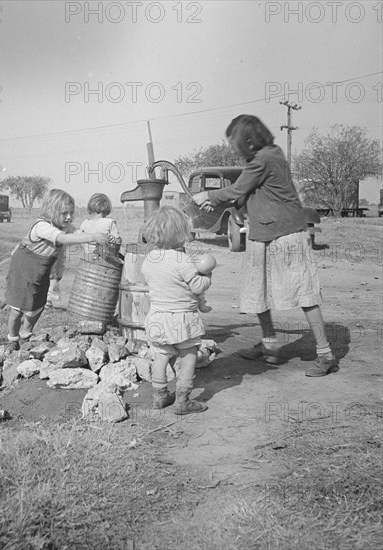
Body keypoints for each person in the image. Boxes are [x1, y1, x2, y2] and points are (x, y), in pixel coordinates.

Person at [192, 114, 338, 377]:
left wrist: (210, 196)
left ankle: (325, 353)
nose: (232, 148)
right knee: (257, 292)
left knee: (305, 294)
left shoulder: (265, 158)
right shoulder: (262, 158)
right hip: (262, 234)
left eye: (234, 143)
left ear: (249, 141)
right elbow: (243, 196)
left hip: (287, 235)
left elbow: (238, 189)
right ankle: (269, 344)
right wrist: (218, 201)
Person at [4, 189, 109, 352]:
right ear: (51, 211)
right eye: (64, 213)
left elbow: (77, 233)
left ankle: (26, 333)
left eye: (71, 213)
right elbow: (63, 239)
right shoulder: (42, 227)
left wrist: (95, 235)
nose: (68, 217)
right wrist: (93, 237)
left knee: (38, 305)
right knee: (18, 307)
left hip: (40, 272)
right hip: (23, 270)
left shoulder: (64, 226)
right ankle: (13, 338)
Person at [141, 205, 212, 415]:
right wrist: (207, 278)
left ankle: (160, 396)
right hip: (181, 319)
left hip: (157, 317)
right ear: (181, 233)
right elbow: (197, 286)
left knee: (161, 356)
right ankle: (183, 400)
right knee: (189, 355)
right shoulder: (182, 260)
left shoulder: (149, 260)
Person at [77, 193, 122, 258]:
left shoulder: (84, 223)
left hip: (88, 259)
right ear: (107, 207)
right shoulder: (109, 222)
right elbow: (118, 242)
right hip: (106, 261)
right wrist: (114, 239)